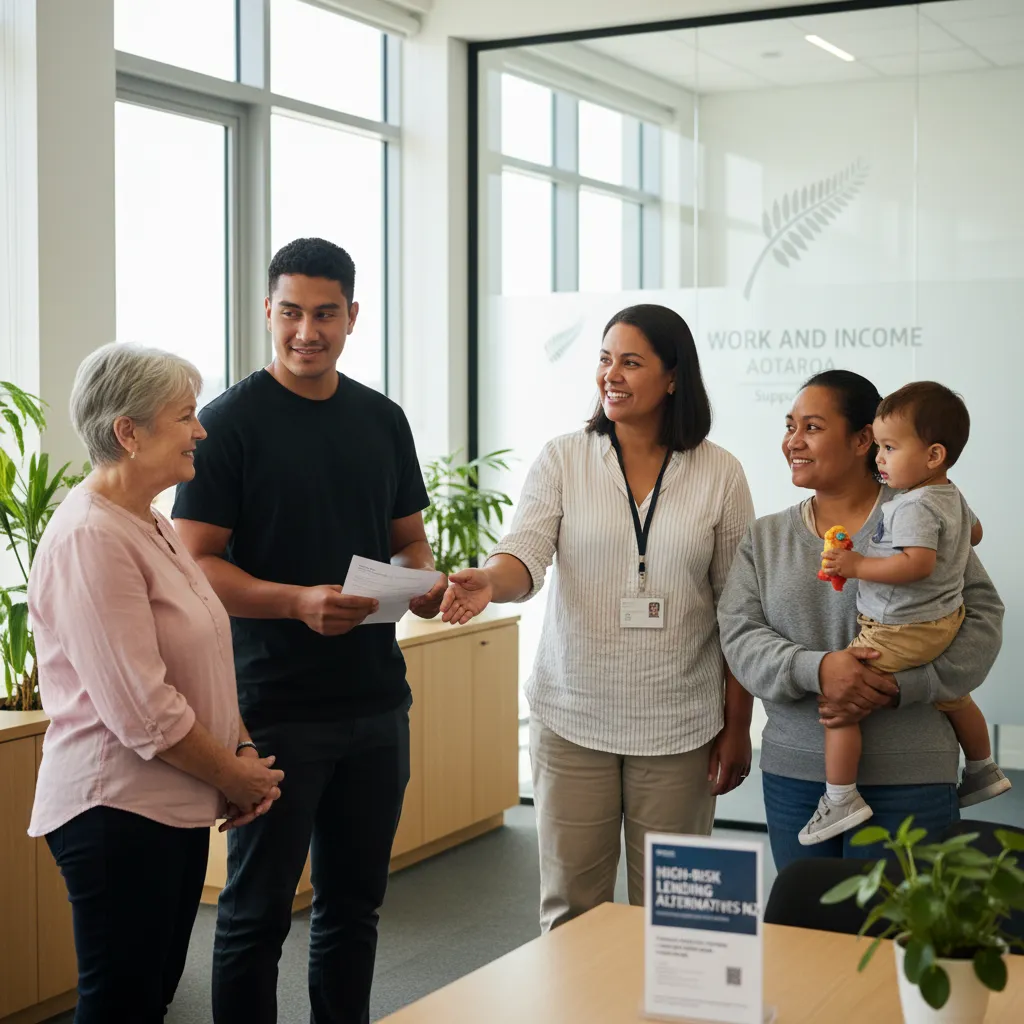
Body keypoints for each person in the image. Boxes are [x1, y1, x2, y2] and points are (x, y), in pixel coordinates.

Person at [172, 237, 445, 1024]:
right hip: (270, 710)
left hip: (374, 704)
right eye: (290, 312)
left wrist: (422, 584)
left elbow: (408, 539)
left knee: (353, 910)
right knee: (255, 916)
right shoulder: (225, 424)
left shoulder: (381, 418)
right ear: (267, 312)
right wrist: (296, 602)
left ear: (353, 316)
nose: (306, 331)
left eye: (325, 313)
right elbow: (197, 564)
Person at [441, 304, 755, 933]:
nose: (611, 374)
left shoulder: (719, 472)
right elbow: (523, 555)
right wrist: (488, 580)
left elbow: (739, 610)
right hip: (574, 715)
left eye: (631, 361)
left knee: (679, 918)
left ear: (673, 377)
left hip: (679, 723)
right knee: (572, 911)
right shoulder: (564, 458)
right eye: (605, 359)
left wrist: (738, 725)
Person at [27, 344, 284, 1024]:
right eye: (185, 416)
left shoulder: (150, 522)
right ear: (128, 433)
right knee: (120, 1007)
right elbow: (141, 707)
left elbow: (200, 661)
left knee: (149, 1000)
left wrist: (241, 751)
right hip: (114, 811)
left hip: (170, 802)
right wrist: (233, 776)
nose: (201, 431)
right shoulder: (90, 537)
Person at [717, 369, 1004, 872]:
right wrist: (819, 669)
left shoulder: (922, 517)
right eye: (790, 426)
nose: (793, 441)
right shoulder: (764, 538)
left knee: (894, 946)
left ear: (861, 440)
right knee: (806, 939)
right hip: (796, 776)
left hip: (911, 774)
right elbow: (739, 635)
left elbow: (982, 617)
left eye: (811, 427)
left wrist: (908, 685)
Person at [805, 381, 1010, 844]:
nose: (879, 458)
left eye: (890, 448)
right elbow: (974, 533)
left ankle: (840, 798)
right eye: (878, 446)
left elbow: (917, 564)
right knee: (955, 698)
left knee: (841, 704)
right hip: (943, 622)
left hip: (900, 628)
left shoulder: (911, 505)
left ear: (934, 455)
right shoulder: (950, 495)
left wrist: (857, 564)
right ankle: (981, 768)